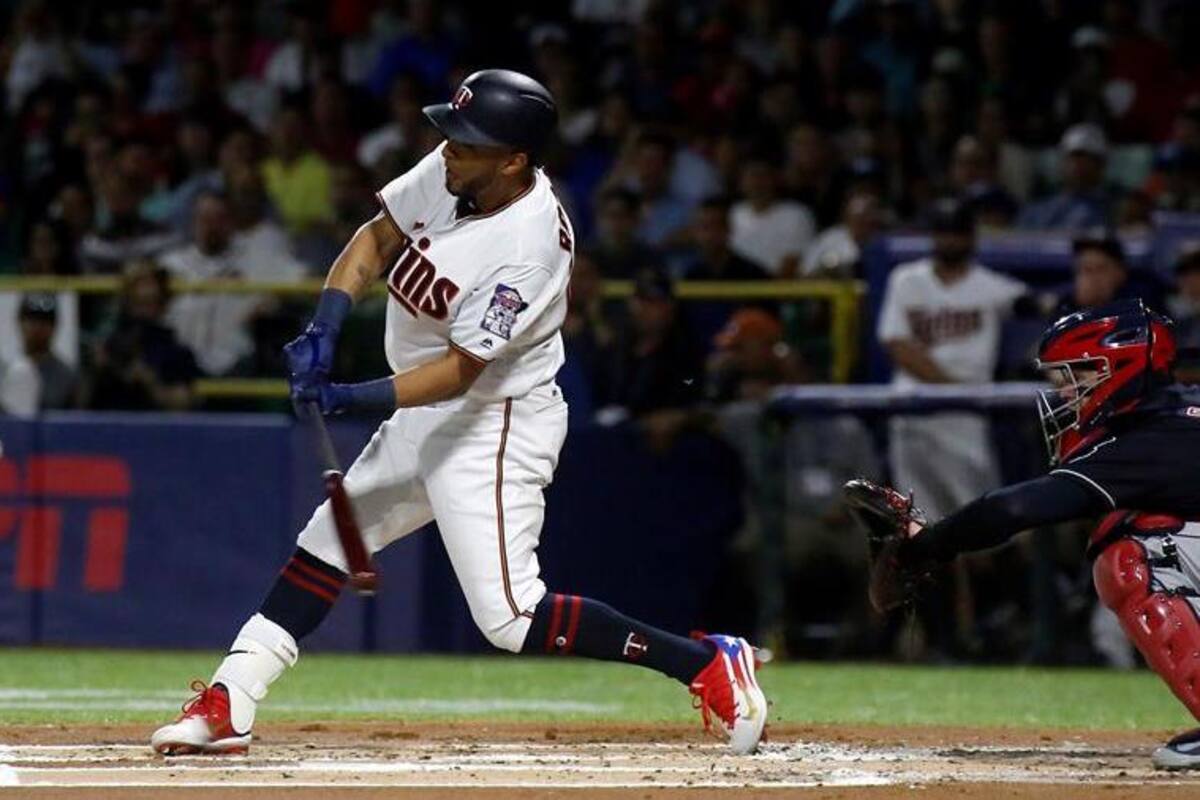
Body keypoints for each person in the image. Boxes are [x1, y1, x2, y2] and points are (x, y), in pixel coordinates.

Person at [149, 69, 767, 758]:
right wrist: (326, 320)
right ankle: (231, 699)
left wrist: (353, 397)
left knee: (511, 618)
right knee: (328, 540)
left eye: (467, 142)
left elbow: (462, 371)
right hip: (426, 404)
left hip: (493, 421)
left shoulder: (528, 247)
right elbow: (377, 237)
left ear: (514, 160)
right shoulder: (458, 171)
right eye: (451, 134)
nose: (448, 149)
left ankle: (707, 662)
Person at [859, 299, 1200, 769]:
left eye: (1079, 375)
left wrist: (926, 545)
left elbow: (1013, 509)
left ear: (1120, 368)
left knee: (1131, 553)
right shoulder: (1175, 414)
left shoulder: (1151, 440)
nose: (1066, 393)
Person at [1019, 124, 1117, 231]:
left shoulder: (1116, 211)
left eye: (1087, 158)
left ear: (1101, 165)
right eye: (1073, 157)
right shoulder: (1037, 213)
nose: (1078, 165)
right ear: (1062, 162)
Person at [17, 294, 76, 410]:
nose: (38, 327)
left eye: (45, 321)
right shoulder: (5, 372)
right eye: (32, 319)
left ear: (55, 326)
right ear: (20, 322)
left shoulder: (66, 377)